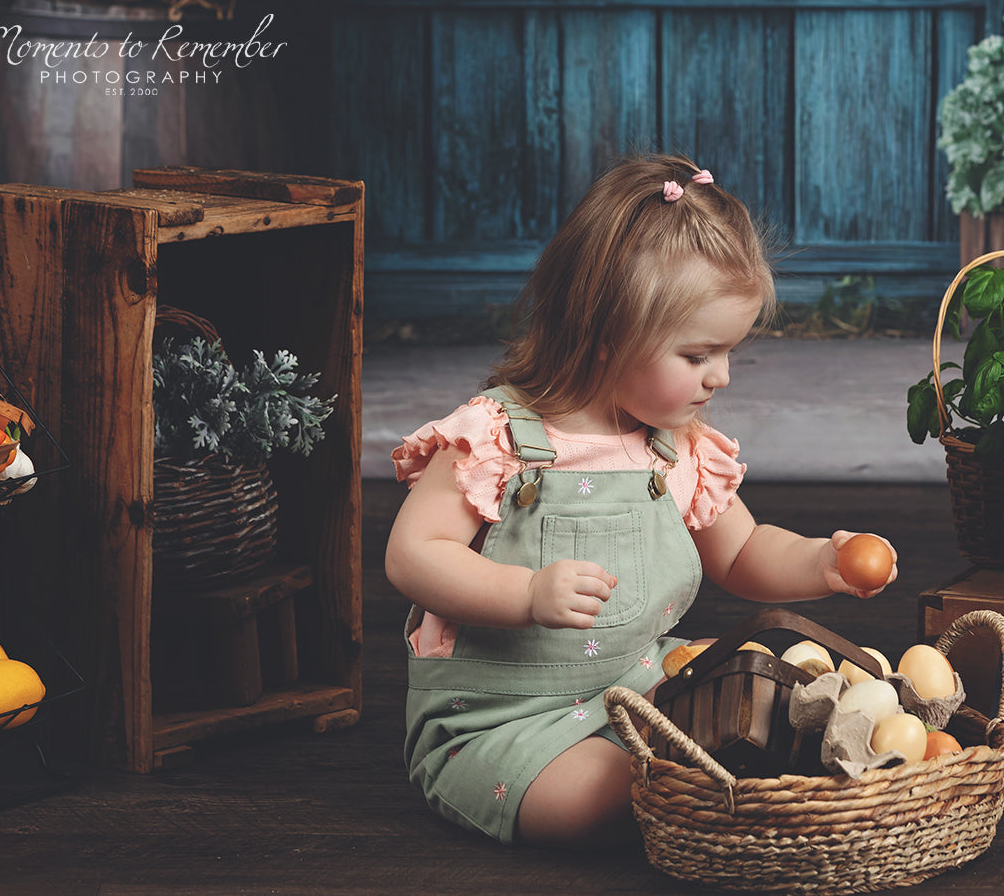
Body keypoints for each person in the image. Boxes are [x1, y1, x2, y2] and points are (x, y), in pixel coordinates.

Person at [384, 152, 897, 847]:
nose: (719, 377)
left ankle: (710, 778)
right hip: (504, 720)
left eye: (729, 354)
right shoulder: (497, 436)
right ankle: (681, 788)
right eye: (697, 355)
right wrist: (525, 594)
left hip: (638, 681)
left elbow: (742, 551)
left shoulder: (674, 444)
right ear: (605, 335)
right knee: (598, 795)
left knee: (762, 677)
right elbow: (414, 555)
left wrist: (821, 563)